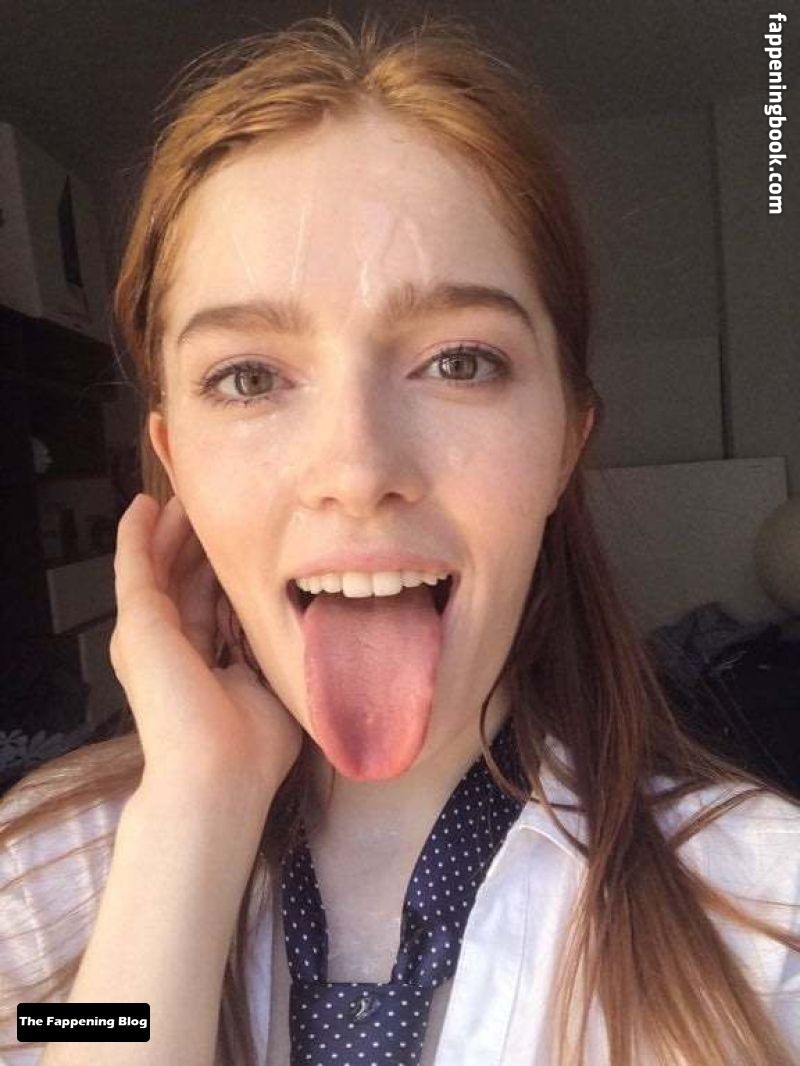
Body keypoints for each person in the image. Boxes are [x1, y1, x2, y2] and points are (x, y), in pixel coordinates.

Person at [1, 15, 798, 1066]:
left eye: (459, 362)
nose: (356, 467)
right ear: (174, 461)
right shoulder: (39, 881)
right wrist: (190, 817)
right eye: (248, 376)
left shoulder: (767, 921)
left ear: (566, 439)